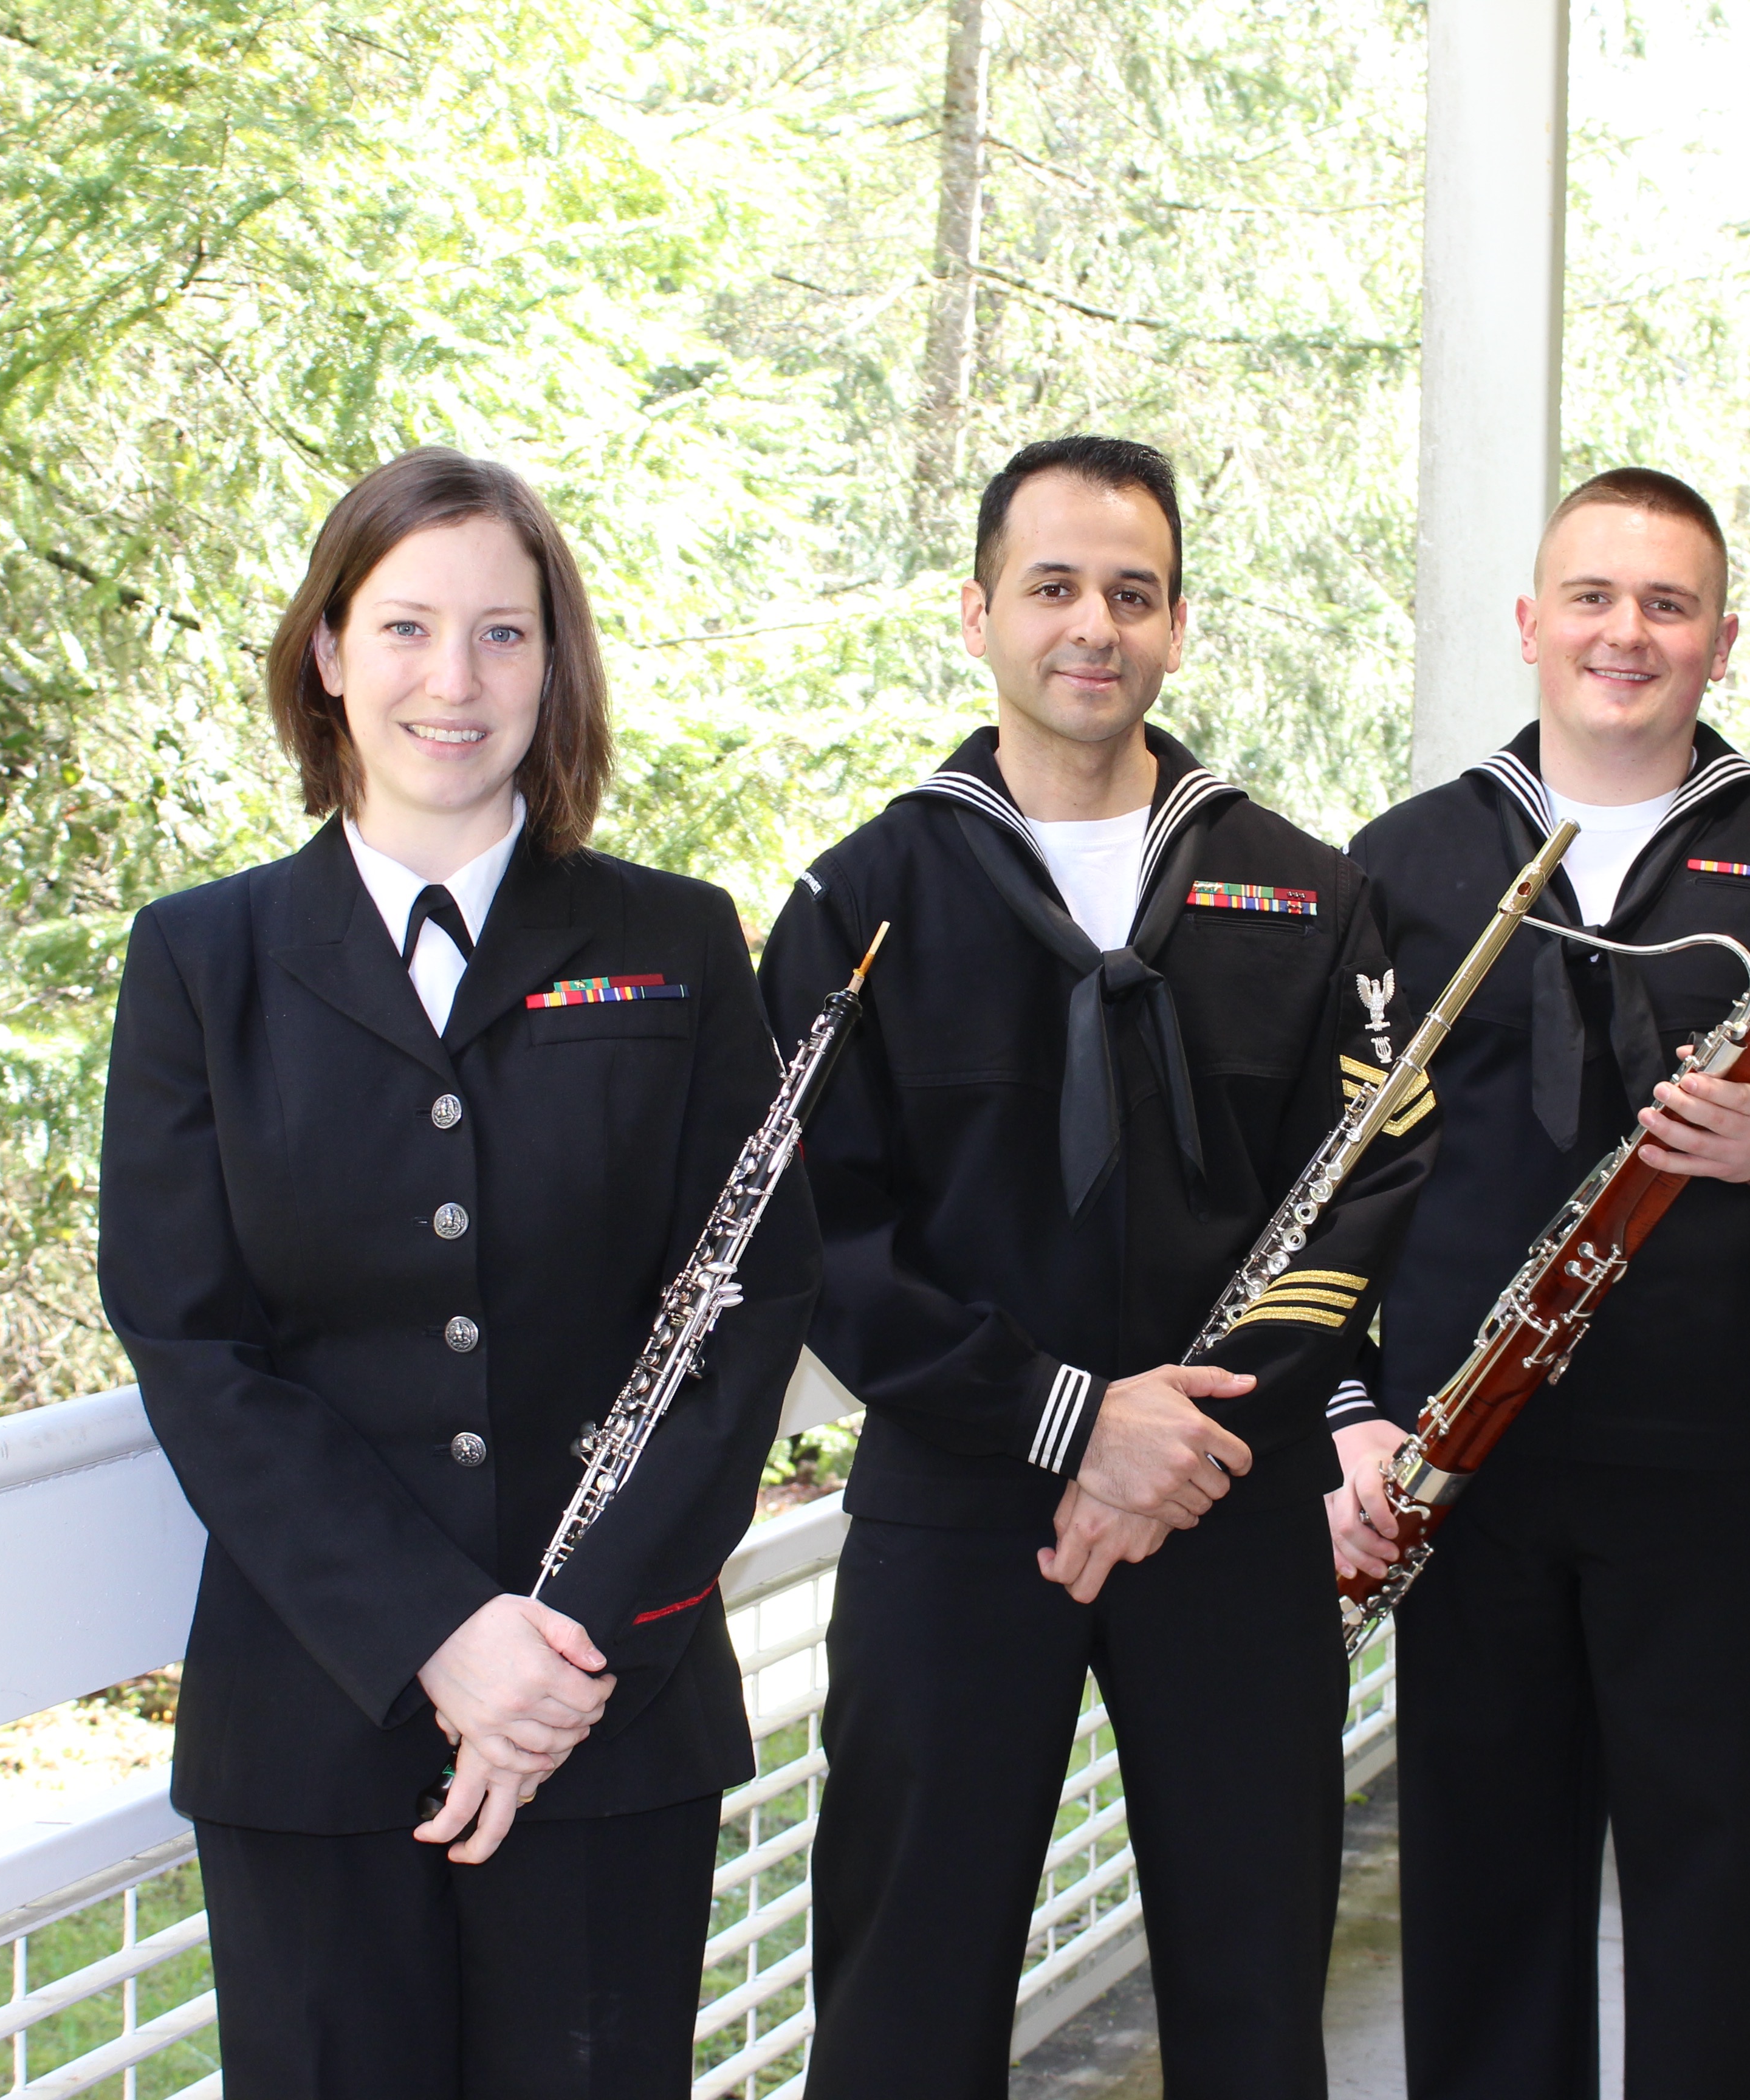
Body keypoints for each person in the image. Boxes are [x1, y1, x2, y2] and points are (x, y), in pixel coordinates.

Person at [98, 447, 815, 2099]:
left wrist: (559, 1653)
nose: (454, 678)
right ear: (331, 653)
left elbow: (749, 1300)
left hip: (605, 1712)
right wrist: (439, 1636)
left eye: (503, 633)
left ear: (553, 665)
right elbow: (194, 1344)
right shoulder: (203, 964)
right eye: (409, 627)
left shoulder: (677, 943)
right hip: (312, 1722)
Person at [758, 435, 1436, 2099]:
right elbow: (820, 1241)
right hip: (965, 1493)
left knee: (1257, 1972)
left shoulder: (1309, 891)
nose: (1093, 625)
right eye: (1053, 587)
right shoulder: (861, 901)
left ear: (1180, 626)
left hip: (1229, 1493)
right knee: (907, 1982)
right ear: (980, 611)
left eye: (1132, 594)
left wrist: (1180, 1437)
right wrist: (1071, 1421)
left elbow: (1372, 1177)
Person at [1337, 468, 1750, 2098]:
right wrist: (1346, 1417)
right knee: (1484, 1917)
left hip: (1710, 1482)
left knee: (1729, 1908)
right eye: (1592, 598)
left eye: (1667, 605)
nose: (1624, 634)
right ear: (1528, 624)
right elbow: (1314, 1190)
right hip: (1461, 1480)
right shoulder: (1400, 866)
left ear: (1718, 641)